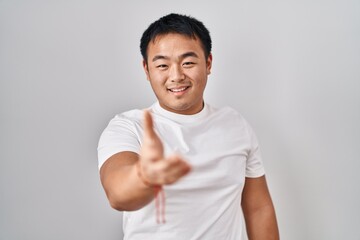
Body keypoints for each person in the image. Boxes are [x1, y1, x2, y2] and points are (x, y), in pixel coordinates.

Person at [98, 13, 279, 240]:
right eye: (162, 65)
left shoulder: (236, 125)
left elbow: (258, 209)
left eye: (188, 63)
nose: (176, 76)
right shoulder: (128, 127)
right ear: (146, 70)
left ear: (208, 63)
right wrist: (145, 176)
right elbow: (118, 194)